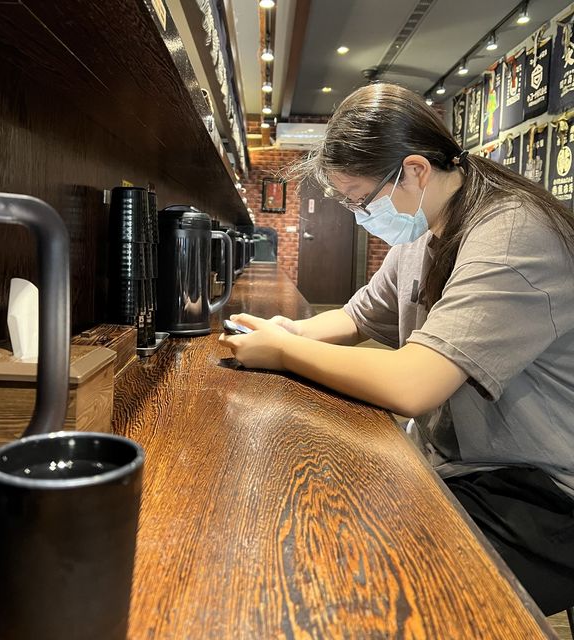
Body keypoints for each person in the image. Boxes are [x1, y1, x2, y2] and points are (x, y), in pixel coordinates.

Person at [219, 83, 574, 616]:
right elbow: (357, 316)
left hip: (543, 487)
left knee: (378, 589)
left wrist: (286, 354)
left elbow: (413, 383)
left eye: (363, 200)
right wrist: (284, 332)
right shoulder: (424, 229)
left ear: (413, 170)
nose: (363, 215)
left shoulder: (510, 235)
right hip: (468, 466)